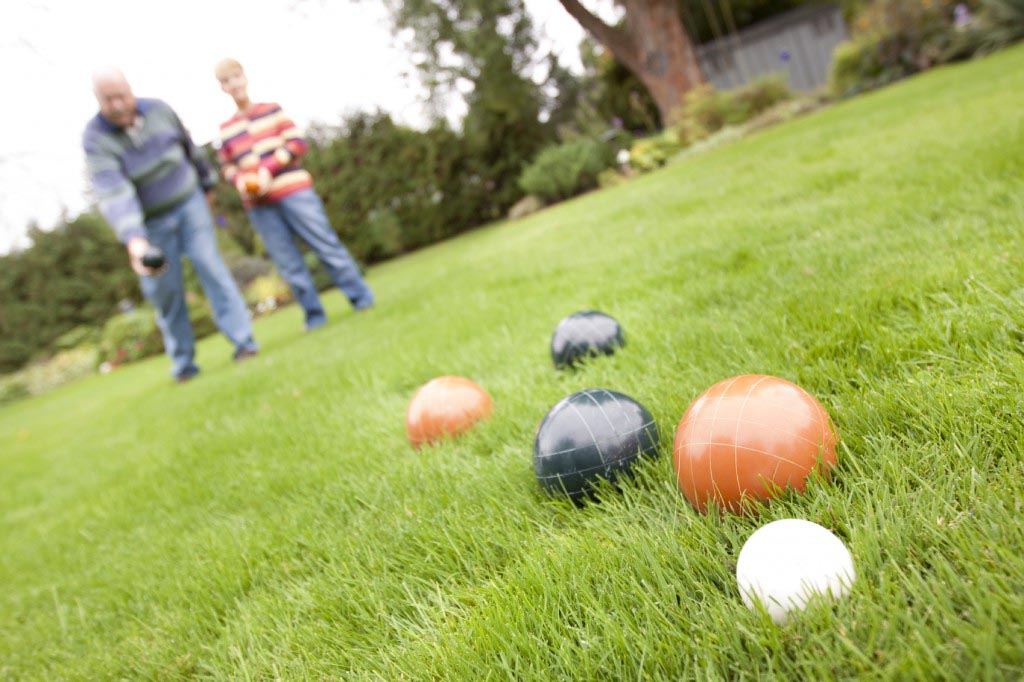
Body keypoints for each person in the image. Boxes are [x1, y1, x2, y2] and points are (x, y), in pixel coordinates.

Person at [83, 67, 258, 383]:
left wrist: (207, 185)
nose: (118, 105)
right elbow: (114, 192)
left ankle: (244, 343)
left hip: (188, 201)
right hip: (149, 221)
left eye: (121, 96)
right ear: (98, 100)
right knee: (164, 290)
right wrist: (135, 240)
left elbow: (190, 149)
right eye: (108, 100)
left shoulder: (159, 110)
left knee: (210, 266)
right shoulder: (96, 138)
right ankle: (183, 365)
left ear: (130, 89)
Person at [213, 58, 374, 332]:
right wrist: (240, 180)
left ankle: (361, 298)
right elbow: (227, 166)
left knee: (325, 244)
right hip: (258, 204)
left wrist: (267, 169)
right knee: (287, 262)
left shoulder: (272, 111)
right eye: (226, 81)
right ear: (222, 87)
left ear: (245, 77)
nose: (233, 84)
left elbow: (297, 142)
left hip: (293, 190)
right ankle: (314, 316)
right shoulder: (226, 129)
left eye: (236, 77)